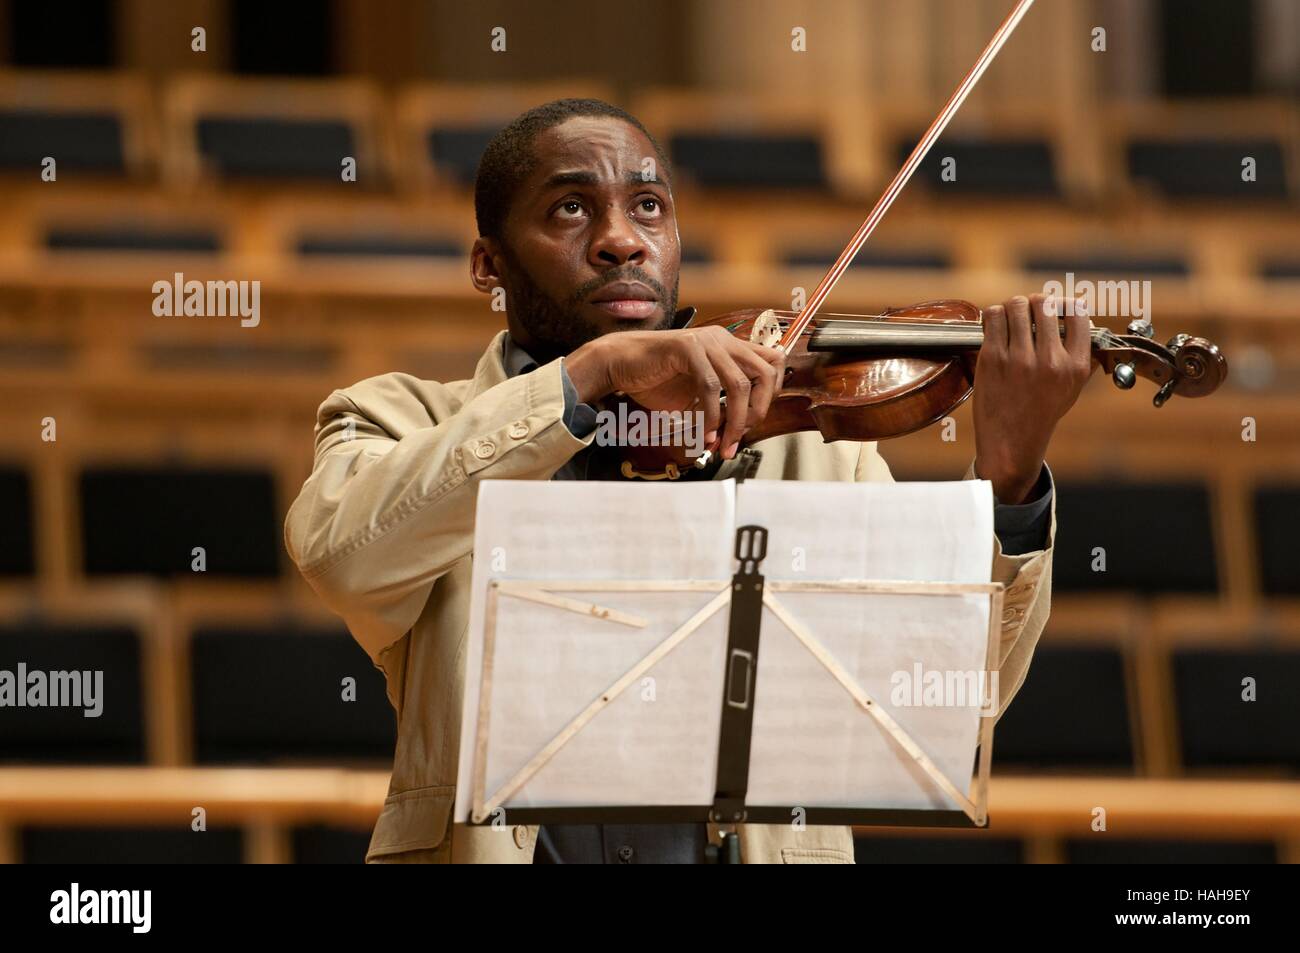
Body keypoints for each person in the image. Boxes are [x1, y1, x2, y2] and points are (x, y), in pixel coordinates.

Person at [284, 99, 1092, 864]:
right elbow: (344, 553)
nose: (621, 241)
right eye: (570, 208)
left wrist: (1010, 479)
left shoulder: (811, 447)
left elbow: (957, 699)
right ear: (487, 265)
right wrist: (592, 371)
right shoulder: (402, 420)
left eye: (648, 208)